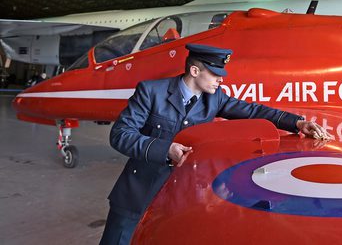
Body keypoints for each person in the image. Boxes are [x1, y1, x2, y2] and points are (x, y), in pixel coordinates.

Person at [100, 43, 327, 244]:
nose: (221, 79)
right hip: (140, 191)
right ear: (195, 70)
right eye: (215, 73)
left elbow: (253, 110)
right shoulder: (151, 92)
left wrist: (296, 123)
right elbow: (120, 134)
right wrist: (166, 149)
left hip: (183, 197)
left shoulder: (214, 97)